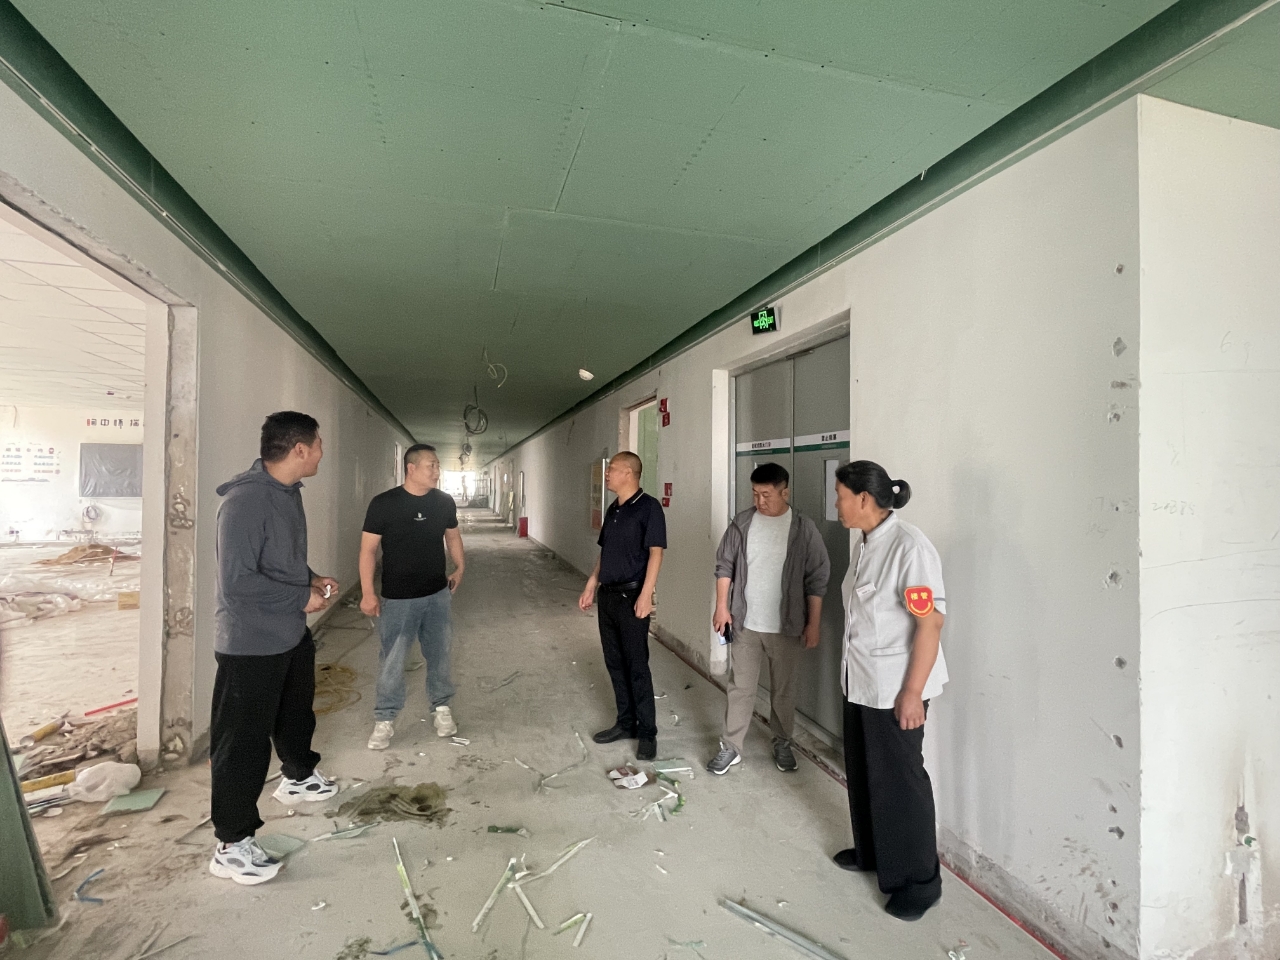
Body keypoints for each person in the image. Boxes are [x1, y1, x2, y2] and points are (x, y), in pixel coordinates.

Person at [209, 411, 340, 886]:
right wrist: (299, 597)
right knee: (242, 745)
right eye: (318, 445)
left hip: (288, 634)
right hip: (250, 644)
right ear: (299, 450)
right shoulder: (244, 502)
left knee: (295, 713)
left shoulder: (287, 493)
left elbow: (282, 560)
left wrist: (312, 578)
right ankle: (232, 844)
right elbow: (237, 583)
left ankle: (298, 776)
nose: (322, 452)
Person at [831, 460, 948, 921]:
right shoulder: (865, 544)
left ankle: (919, 884)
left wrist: (913, 693)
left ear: (863, 499)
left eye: (840, 496)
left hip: (896, 689)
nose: (836, 504)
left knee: (901, 783)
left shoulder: (909, 548)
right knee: (864, 773)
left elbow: (930, 624)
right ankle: (874, 853)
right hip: (860, 681)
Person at [706, 462, 830, 775]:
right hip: (745, 623)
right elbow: (724, 566)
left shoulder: (803, 528)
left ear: (784, 492)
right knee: (740, 687)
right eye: (755, 494)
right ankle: (731, 747)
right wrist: (722, 606)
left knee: (783, 691)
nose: (759, 501)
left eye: (766, 495)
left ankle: (782, 741)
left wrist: (813, 623)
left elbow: (817, 578)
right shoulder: (742, 523)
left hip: (787, 626)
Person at [360, 444, 464, 750]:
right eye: (432, 465)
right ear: (411, 468)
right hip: (398, 598)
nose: (437, 471)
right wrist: (367, 592)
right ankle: (385, 718)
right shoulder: (384, 504)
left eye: (438, 466)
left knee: (440, 654)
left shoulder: (443, 502)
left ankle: (441, 708)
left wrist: (460, 567)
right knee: (393, 659)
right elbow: (368, 550)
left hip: (437, 594)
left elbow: (453, 536)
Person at [578, 451, 666, 762]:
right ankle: (626, 722)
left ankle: (647, 732)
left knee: (637, 665)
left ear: (628, 473)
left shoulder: (649, 507)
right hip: (609, 597)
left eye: (612, 469)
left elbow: (656, 553)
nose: (607, 473)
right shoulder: (614, 508)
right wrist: (592, 583)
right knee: (614, 662)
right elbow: (606, 551)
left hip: (632, 597)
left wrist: (646, 594)